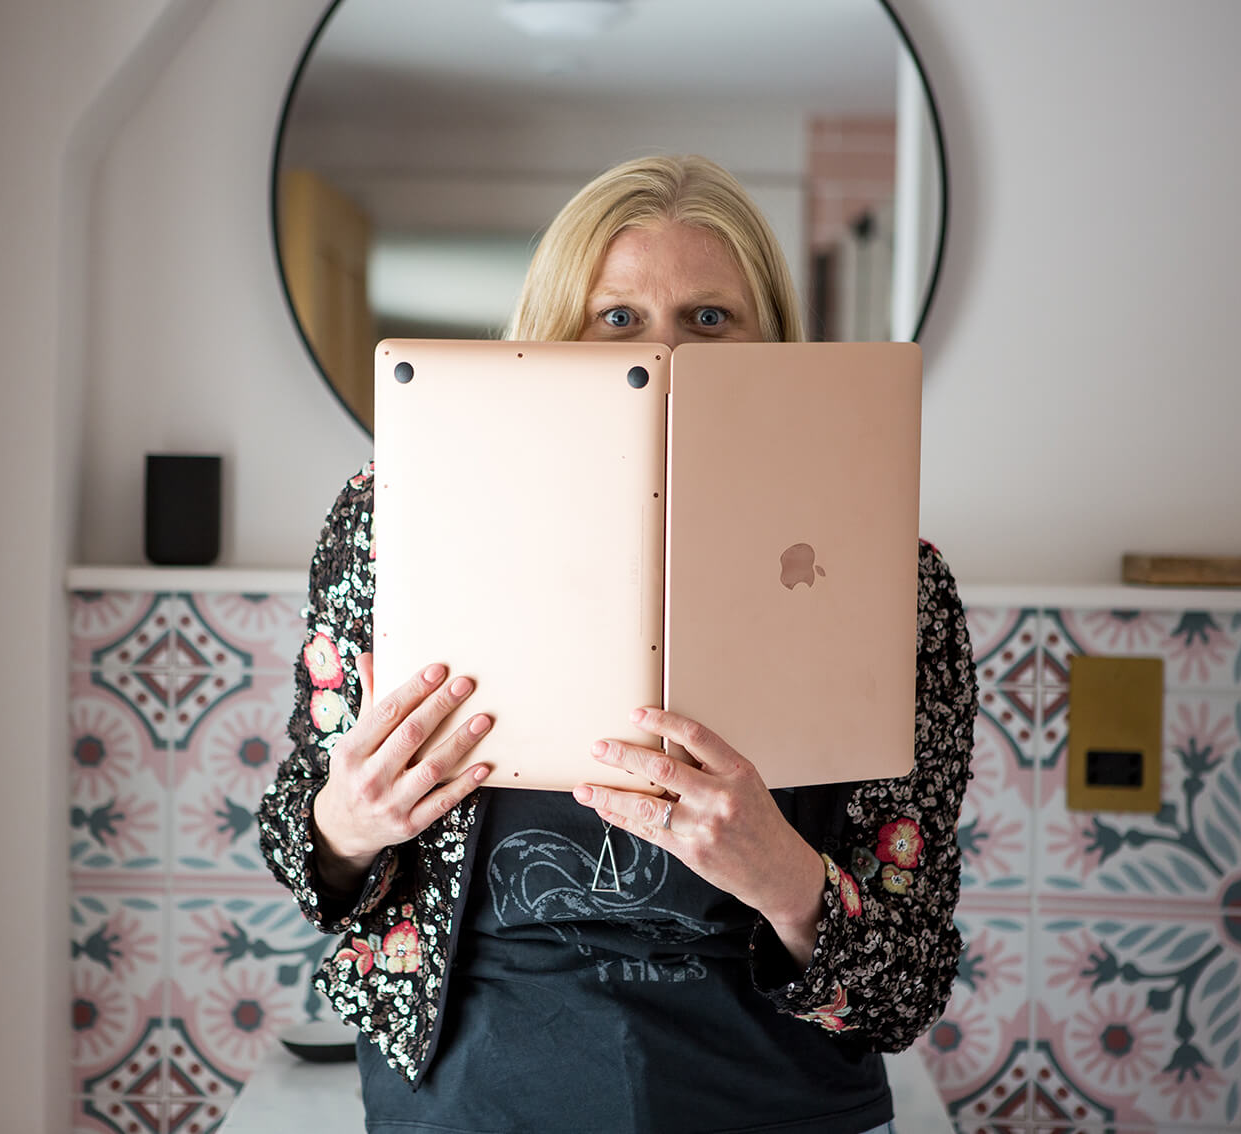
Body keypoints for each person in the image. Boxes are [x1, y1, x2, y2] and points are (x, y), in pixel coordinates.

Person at [259, 154, 977, 1134]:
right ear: (553, 333)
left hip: (773, 1100)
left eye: (710, 317)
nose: (665, 355)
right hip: (468, 1097)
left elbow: (907, 988)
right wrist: (347, 821)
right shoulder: (395, 523)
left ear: (770, 344)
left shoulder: (893, 582)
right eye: (618, 318)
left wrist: (784, 877)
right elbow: (309, 855)